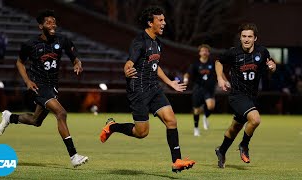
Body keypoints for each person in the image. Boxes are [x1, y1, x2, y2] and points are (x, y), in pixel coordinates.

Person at [99, 6, 195, 172]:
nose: (164, 23)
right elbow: (130, 61)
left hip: (154, 88)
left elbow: (154, 66)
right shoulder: (139, 42)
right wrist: (126, 68)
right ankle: (112, 126)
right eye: (161, 20)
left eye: (164, 19)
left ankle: (177, 161)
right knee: (141, 132)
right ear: (150, 23)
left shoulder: (157, 42)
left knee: (171, 120)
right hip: (139, 90)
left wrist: (169, 82)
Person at [0, 9, 88, 167]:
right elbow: (19, 63)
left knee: (35, 120)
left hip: (52, 86)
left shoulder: (62, 40)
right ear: (41, 26)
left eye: (54, 21)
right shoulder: (31, 44)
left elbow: (73, 55)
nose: (53, 24)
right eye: (48, 22)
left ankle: (9, 117)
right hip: (38, 86)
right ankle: (74, 156)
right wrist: (27, 81)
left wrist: (76, 62)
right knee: (61, 113)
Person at [214, 23, 276, 168]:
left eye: (249, 36)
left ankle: (221, 150)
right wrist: (220, 78)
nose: (246, 39)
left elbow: (271, 65)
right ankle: (244, 145)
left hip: (252, 96)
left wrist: (273, 67)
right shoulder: (233, 53)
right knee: (255, 119)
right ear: (240, 38)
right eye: (243, 36)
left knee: (235, 128)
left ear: (255, 38)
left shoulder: (262, 52)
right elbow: (218, 61)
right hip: (237, 95)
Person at [183, 44, 216, 136]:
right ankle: (196, 128)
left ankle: (205, 116)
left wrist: (224, 81)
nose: (204, 52)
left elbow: (219, 72)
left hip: (209, 88)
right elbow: (187, 73)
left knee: (211, 106)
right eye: (203, 51)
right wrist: (185, 80)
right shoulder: (195, 64)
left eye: (206, 51)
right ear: (199, 53)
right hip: (198, 89)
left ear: (208, 53)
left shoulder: (212, 63)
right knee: (196, 110)